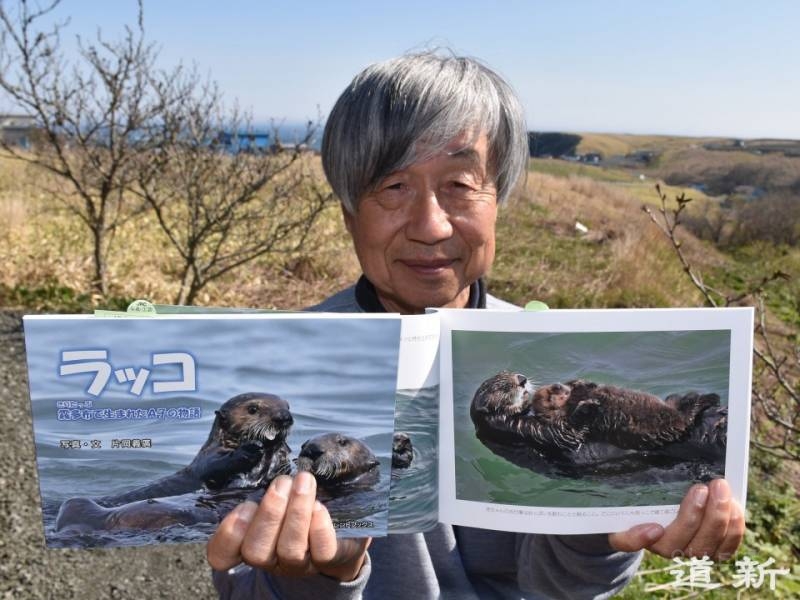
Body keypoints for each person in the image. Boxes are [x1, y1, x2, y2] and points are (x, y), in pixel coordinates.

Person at [207, 51, 745, 599]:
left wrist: (598, 530)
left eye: (461, 185)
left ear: (498, 202)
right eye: (393, 187)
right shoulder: (281, 376)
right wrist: (322, 575)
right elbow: (239, 585)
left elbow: (557, 590)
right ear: (349, 212)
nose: (430, 225)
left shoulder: (547, 356)